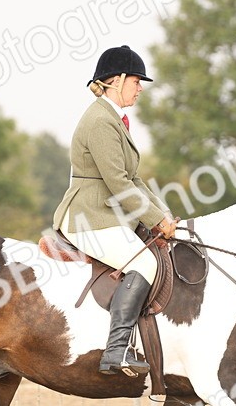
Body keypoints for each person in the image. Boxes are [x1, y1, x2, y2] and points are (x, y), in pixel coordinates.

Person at [52, 45, 177, 377]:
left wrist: (163, 214)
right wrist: (155, 219)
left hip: (107, 214)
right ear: (118, 80)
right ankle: (116, 351)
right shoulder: (100, 121)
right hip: (88, 215)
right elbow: (119, 183)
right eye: (137, 81)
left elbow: (134, 178)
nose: (140, 88)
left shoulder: (114, 120)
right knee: (144, 262)